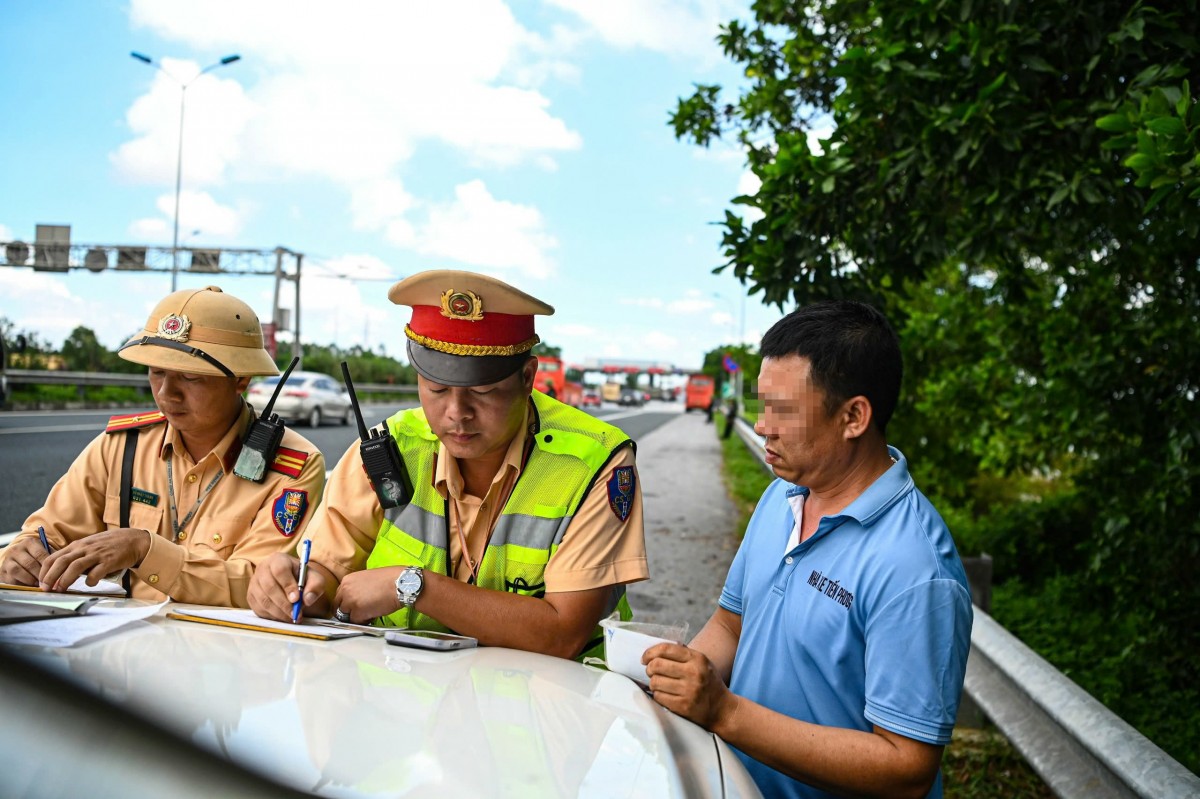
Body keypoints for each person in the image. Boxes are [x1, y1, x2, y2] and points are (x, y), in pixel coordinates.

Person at [643, 301, 973, 799]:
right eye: (761, 406)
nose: (762, 427)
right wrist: (672, 687)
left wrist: (723, 711)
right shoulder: (783, 494)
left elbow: (906, 769)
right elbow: (733, 624)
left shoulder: (915, 568)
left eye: (783, 411)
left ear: (854, 416)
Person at [248, 270, 648, 661]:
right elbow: (326, 569)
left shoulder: (594, 464)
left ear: (527, 377)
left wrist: (414, 586)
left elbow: (563, 635)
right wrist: (297, 585)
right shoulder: (389, 447)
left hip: (553, 709)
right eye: (436, 388)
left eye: (483, 390)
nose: (457, 413)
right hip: (409, 707)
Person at [0, 286, 325, 607]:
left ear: (240, 380)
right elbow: (50, 532)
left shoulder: (292, 466)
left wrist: (145, 549)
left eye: (190, 377)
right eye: (157, 372)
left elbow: (259, 586)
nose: (167, 393)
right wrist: (24, 552)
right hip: (113, 650)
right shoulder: (120, 447)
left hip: (221, 651)